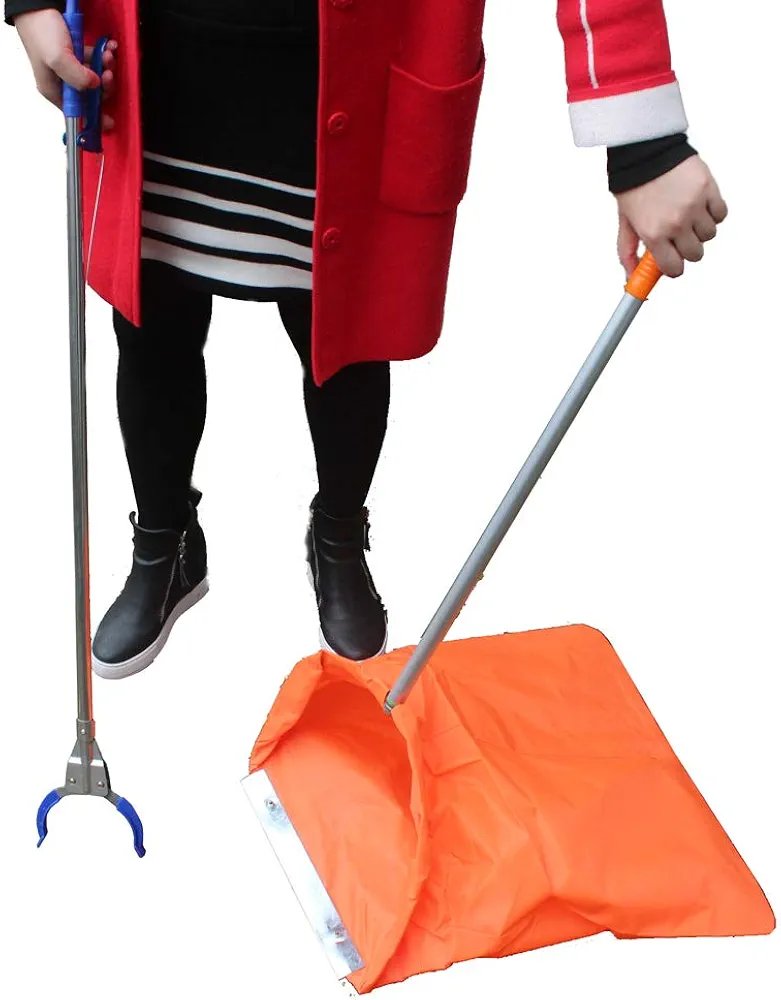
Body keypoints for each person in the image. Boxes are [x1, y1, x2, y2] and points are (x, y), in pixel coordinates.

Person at [5, 0, 727, 680]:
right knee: (149, 326)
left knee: (346, 339)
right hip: (156, 71)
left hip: (353, 75)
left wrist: (644, 139)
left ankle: (339, 535)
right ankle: (164, 543)